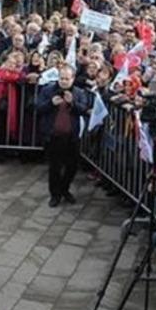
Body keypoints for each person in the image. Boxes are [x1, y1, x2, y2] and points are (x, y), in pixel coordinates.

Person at [35, 65, 90, 207]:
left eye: (67, 78)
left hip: (71, 135)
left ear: (72, 79)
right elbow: (38, 107)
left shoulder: (78, 92)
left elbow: (84, 109)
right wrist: (50, 103)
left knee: (72, 166)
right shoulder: (48, 90)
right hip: (53, 135)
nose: (64, 81)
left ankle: (64, 189)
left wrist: (73, 103)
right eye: (61, 78)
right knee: (55, 167)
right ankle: (55, 194)